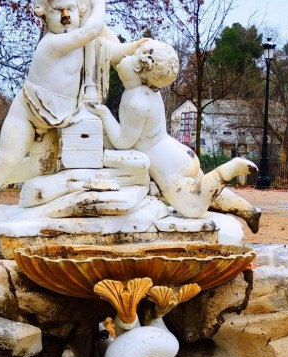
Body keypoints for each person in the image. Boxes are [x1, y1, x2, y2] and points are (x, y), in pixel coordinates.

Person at [0, 0, 146, 222]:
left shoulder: (80, 45)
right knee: (8, 158)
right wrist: (99, 1)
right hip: (28, 113)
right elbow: (92, 30)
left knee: (43, 167)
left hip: (57, 120)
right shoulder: (51, 43)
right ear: (42, 15)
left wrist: (136, 46)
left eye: (70, 9)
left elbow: (107, 50)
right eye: (56, 12)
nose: (65, 17)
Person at [87, 40, 260, 229]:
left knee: (193, 207)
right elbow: (112, 44)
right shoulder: (151, 91)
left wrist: (103, 113)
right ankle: (249, 210)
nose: (122, 60)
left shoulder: (137, 101)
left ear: (141, 70)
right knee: (205, 192)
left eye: (130, 58)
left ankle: (229, 170)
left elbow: (122, 142)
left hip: (169, 167)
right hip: (179, 154)